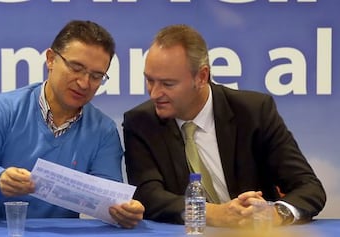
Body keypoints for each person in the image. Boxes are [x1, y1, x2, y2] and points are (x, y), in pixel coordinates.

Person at [122, 24, 325, 227]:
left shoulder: (254, 112)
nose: (154, 93)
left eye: (168, 84)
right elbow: (148, 196)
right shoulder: (141, 122)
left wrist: (274, 214)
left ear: (201, 77)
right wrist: (213, 213)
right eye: (149, 80)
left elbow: (309, 187)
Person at [0, 20, 144, 229]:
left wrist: (123, 211)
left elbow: (108, 199)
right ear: (51, 59)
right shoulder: (3, 109)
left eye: (96, 76)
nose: (84, 83)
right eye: (76, 68)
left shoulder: (103, 130)